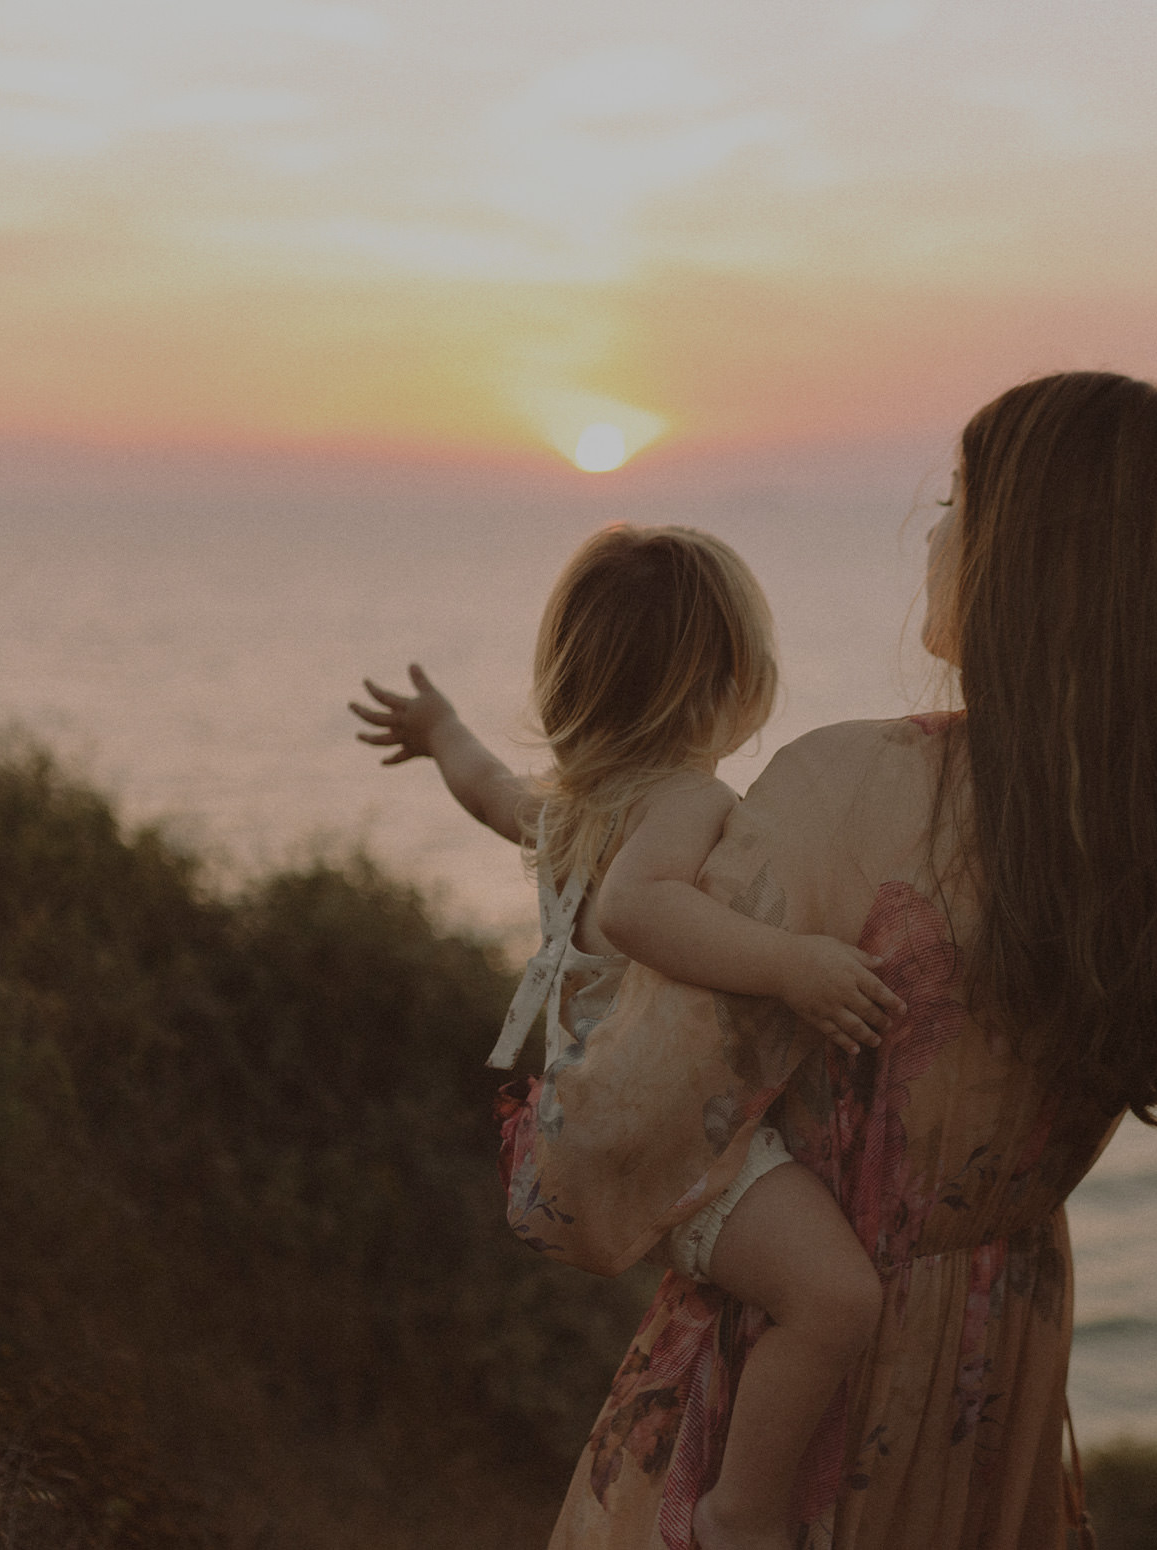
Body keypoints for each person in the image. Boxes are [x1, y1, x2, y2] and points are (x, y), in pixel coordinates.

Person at [503, 373, 1157, 1549]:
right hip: (994, 1379)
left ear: (1024, 560)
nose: (932, 530)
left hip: (778, 1402)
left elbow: (620, 1136)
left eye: (958, 500)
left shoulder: (843, 793)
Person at [350, 525, 910, 1550]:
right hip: (667, 1148)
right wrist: (796, 964)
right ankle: (740, 1509)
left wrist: (442, 730)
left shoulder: (575, 806)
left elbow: (486, 788)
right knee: (834, 1297)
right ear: (730, 683)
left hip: (589, 1123)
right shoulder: (688, 801)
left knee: (813, 1288)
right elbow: (635, 911)